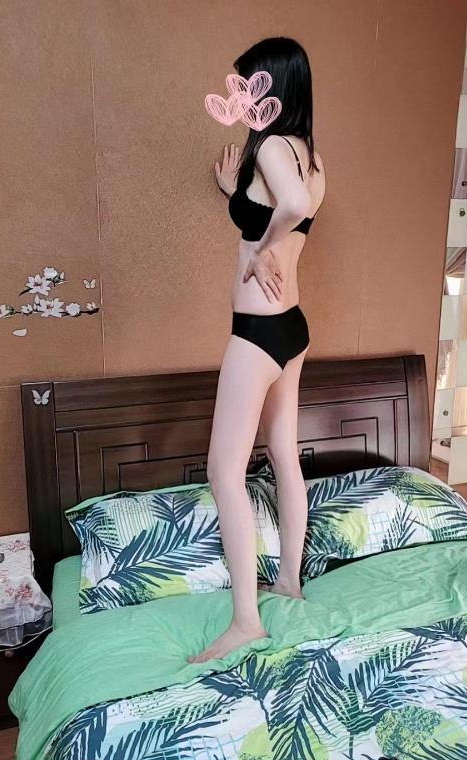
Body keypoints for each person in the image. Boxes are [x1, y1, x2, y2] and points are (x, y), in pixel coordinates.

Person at [188, 37, 326, 664]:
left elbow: (285, 210)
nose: (241, 95)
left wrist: (263, 247)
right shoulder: (310, 156)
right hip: (292, 327)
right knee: (283, 455)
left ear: (273, 85)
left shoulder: (270, 147)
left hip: (258, 332)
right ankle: (290, 581)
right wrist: (234, 196)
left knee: (225, 471)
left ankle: (246, 621)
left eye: (249, 84)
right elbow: (289, 206)